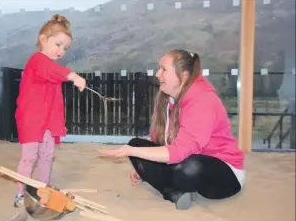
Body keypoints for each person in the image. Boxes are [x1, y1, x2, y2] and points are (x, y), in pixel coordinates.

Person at [98, 49, 246, 210]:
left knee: (190, 166)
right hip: (184, 160)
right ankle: (177, 191)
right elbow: (161, 143)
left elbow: (180, 152)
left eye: (163, 69)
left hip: (223, 175)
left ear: (183, 75)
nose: (157, 74)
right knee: (137, 144)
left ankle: (171, 190)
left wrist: (132, 153)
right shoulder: (167, 98)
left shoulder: (202, 100)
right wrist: (144, 168)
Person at [13, 14, 87, 207]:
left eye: (65, 48)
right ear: (43, 40)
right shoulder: (37, 60)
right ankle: (21, 194)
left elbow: (53, 89)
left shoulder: (50, 65)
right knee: (29, 157)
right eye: (58, 44)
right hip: (32, 119)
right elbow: (52, 70)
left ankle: (42, 189)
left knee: (47, 155)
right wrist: (73, 76)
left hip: (47, 120)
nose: (61, 51)